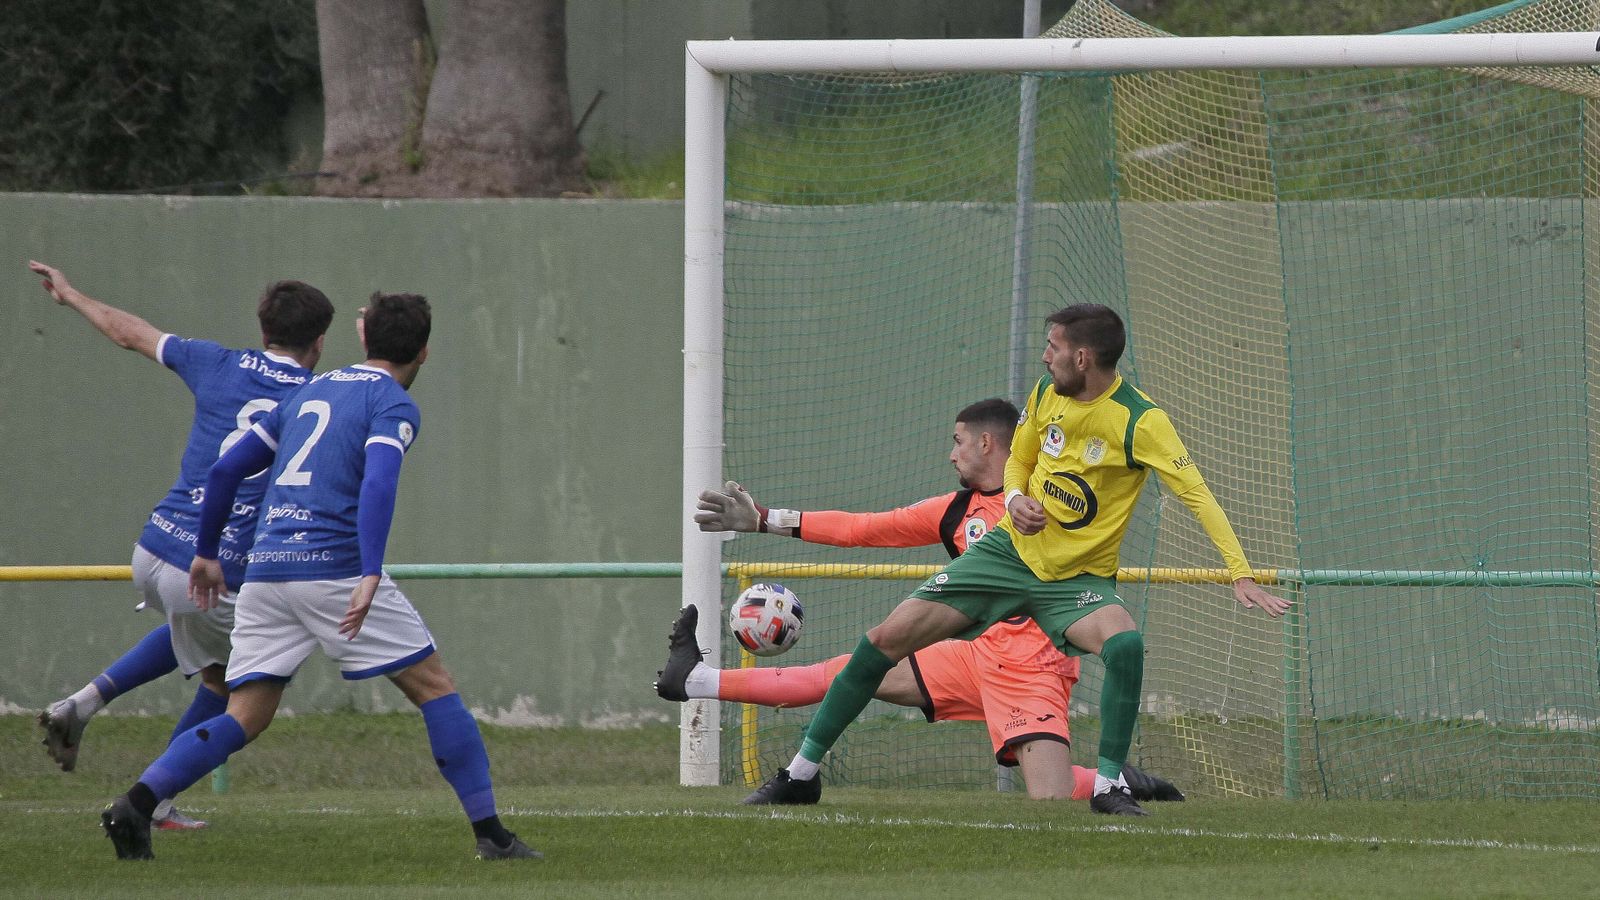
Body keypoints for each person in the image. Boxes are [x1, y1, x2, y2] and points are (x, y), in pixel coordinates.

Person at [738, 304, 1291, 816]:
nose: (1045, 355)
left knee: (1125, 644)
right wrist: (1020, 498)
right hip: (1007, 556)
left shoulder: (1139, 422)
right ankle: (801, 775)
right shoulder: (1046, 394)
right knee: (884, 639)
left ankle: (1110, 787)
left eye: (1053, 346)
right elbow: (1020, 458)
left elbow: (1195, 493)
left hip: (1075, 578)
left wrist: (1239, 572)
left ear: (1082, 357)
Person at [99, 293, 540, 861]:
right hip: (330, 567)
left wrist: (206, 551)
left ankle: (137, 804)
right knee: (434, 687)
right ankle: (492, 836)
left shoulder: (310, 389)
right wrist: (370, 570)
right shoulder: (391, 404)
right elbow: (379, 481)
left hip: (264, 569)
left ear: (363, 339)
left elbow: (228, 466)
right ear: (424, 352)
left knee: (246, 712)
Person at [663, 398, 1181, 802]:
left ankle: (1120, 782)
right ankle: (696, 680)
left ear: (985, 443)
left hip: (1030, 665)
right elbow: (865, 528)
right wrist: (764, 519)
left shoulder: (1044, 504)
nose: (950, 453)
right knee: (849, 673)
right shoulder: (954, 509)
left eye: (957, 441)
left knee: (1051, 793)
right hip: (971, 655)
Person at [28, 261, 333, 830]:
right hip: (210, 565)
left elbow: (130, 333)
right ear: (319, 340)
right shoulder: (316, 397)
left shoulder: (218, 361)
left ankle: (84, 703)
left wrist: (72, 295)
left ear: (263, 330)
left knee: (192, 633)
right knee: (237, 686)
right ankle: (154, 800)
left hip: (153, 547)